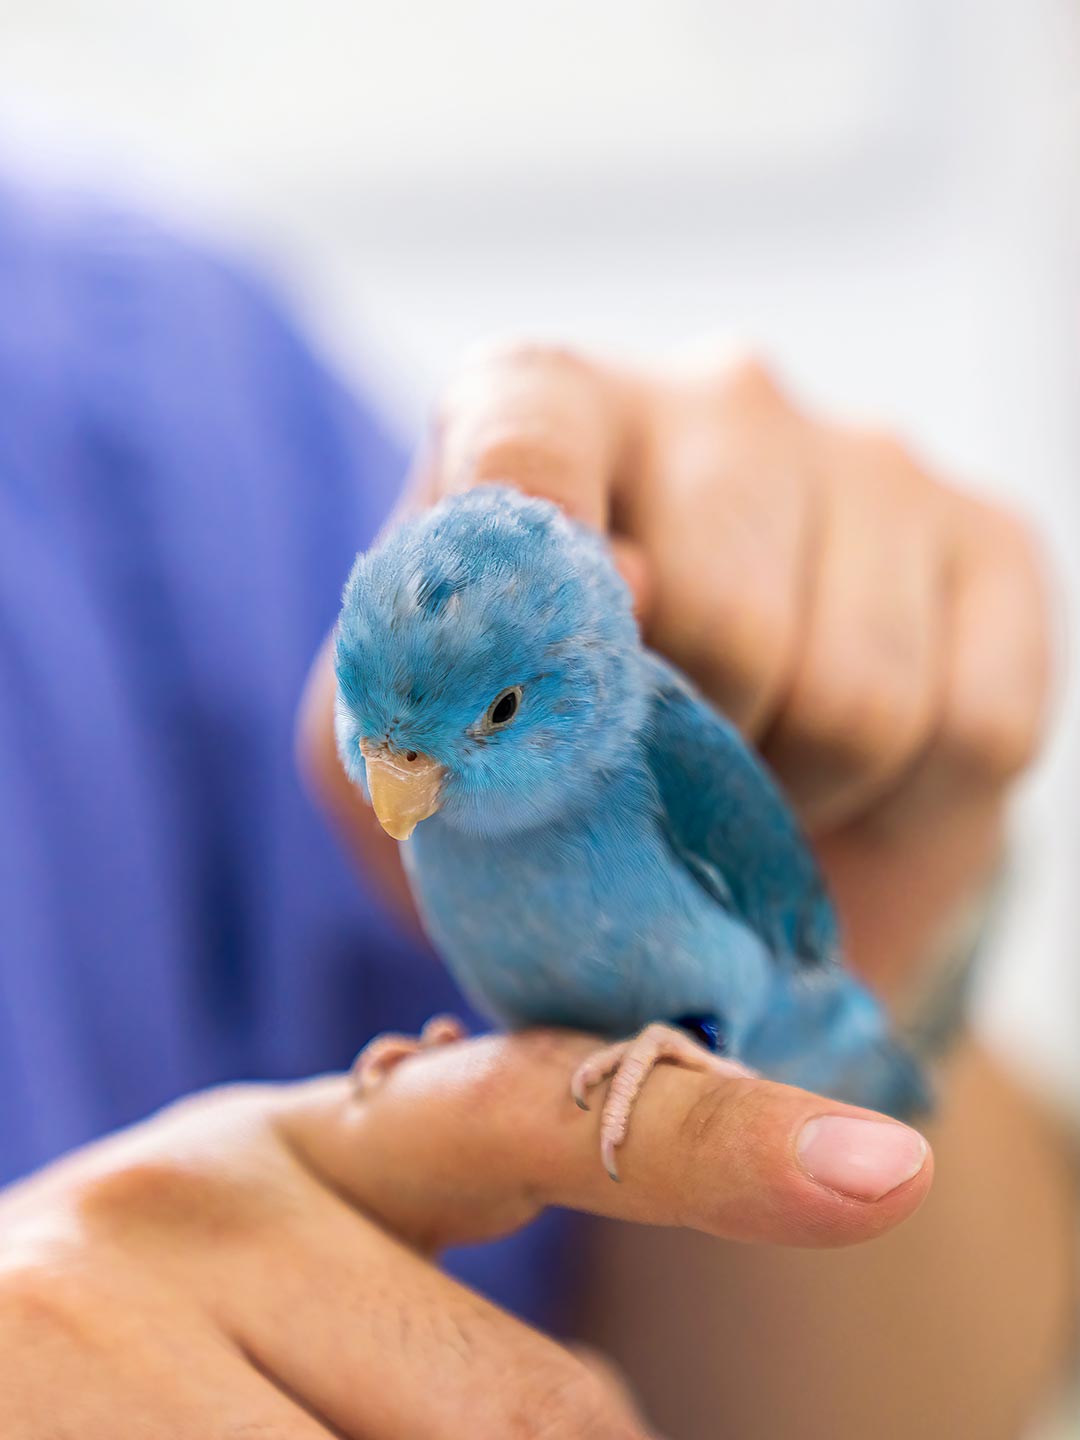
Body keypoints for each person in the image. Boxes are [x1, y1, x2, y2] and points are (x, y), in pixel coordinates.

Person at [0, 176, 1073, 1439]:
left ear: (561, 687)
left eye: (489, 723)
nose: (398, 786)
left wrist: (872, 950)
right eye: (372, 730)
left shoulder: (150, 370)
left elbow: (945, 1355)